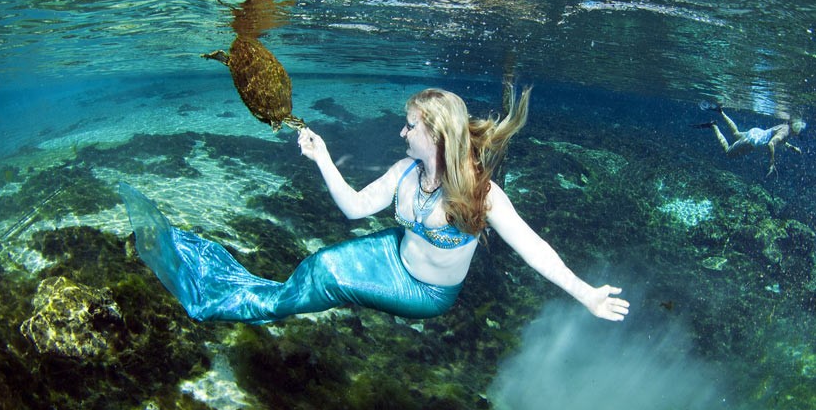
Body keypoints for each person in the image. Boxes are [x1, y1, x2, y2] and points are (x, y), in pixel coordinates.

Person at [120, 85, 629, 325]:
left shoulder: (481, 195)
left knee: (323, 274)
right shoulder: (405, 173)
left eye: (410, 125)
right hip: (391, 254)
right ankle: (256, 293)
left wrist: (584, 293)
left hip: (426, 293)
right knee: (318, 266)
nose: (401, 131)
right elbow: (355, 209)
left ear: (434, 135)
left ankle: (226, 300)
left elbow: (534, 248)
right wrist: (320, 157)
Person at [693, 100, 805, 176]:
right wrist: (772, 163)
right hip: (753, 141)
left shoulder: (785, 127)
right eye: (799, 132)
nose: (798, 134)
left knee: (736, 133)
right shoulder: (786, 132)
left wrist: (793, 148)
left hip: (756, 133)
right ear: (796, 128)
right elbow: (772, 143)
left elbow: (779, 140)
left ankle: (721, 112)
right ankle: (713, 126)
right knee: (728, 152)